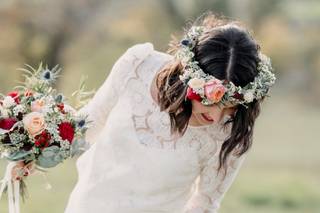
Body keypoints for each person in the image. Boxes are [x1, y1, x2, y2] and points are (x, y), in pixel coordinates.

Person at [17, 12, 276, 213]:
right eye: (208, 101)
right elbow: (89, 124)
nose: (217, 116)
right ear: (189, 76)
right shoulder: (139, 65)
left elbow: (205, 203)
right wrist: (35, 143)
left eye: (230, 106)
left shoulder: (231, 132)